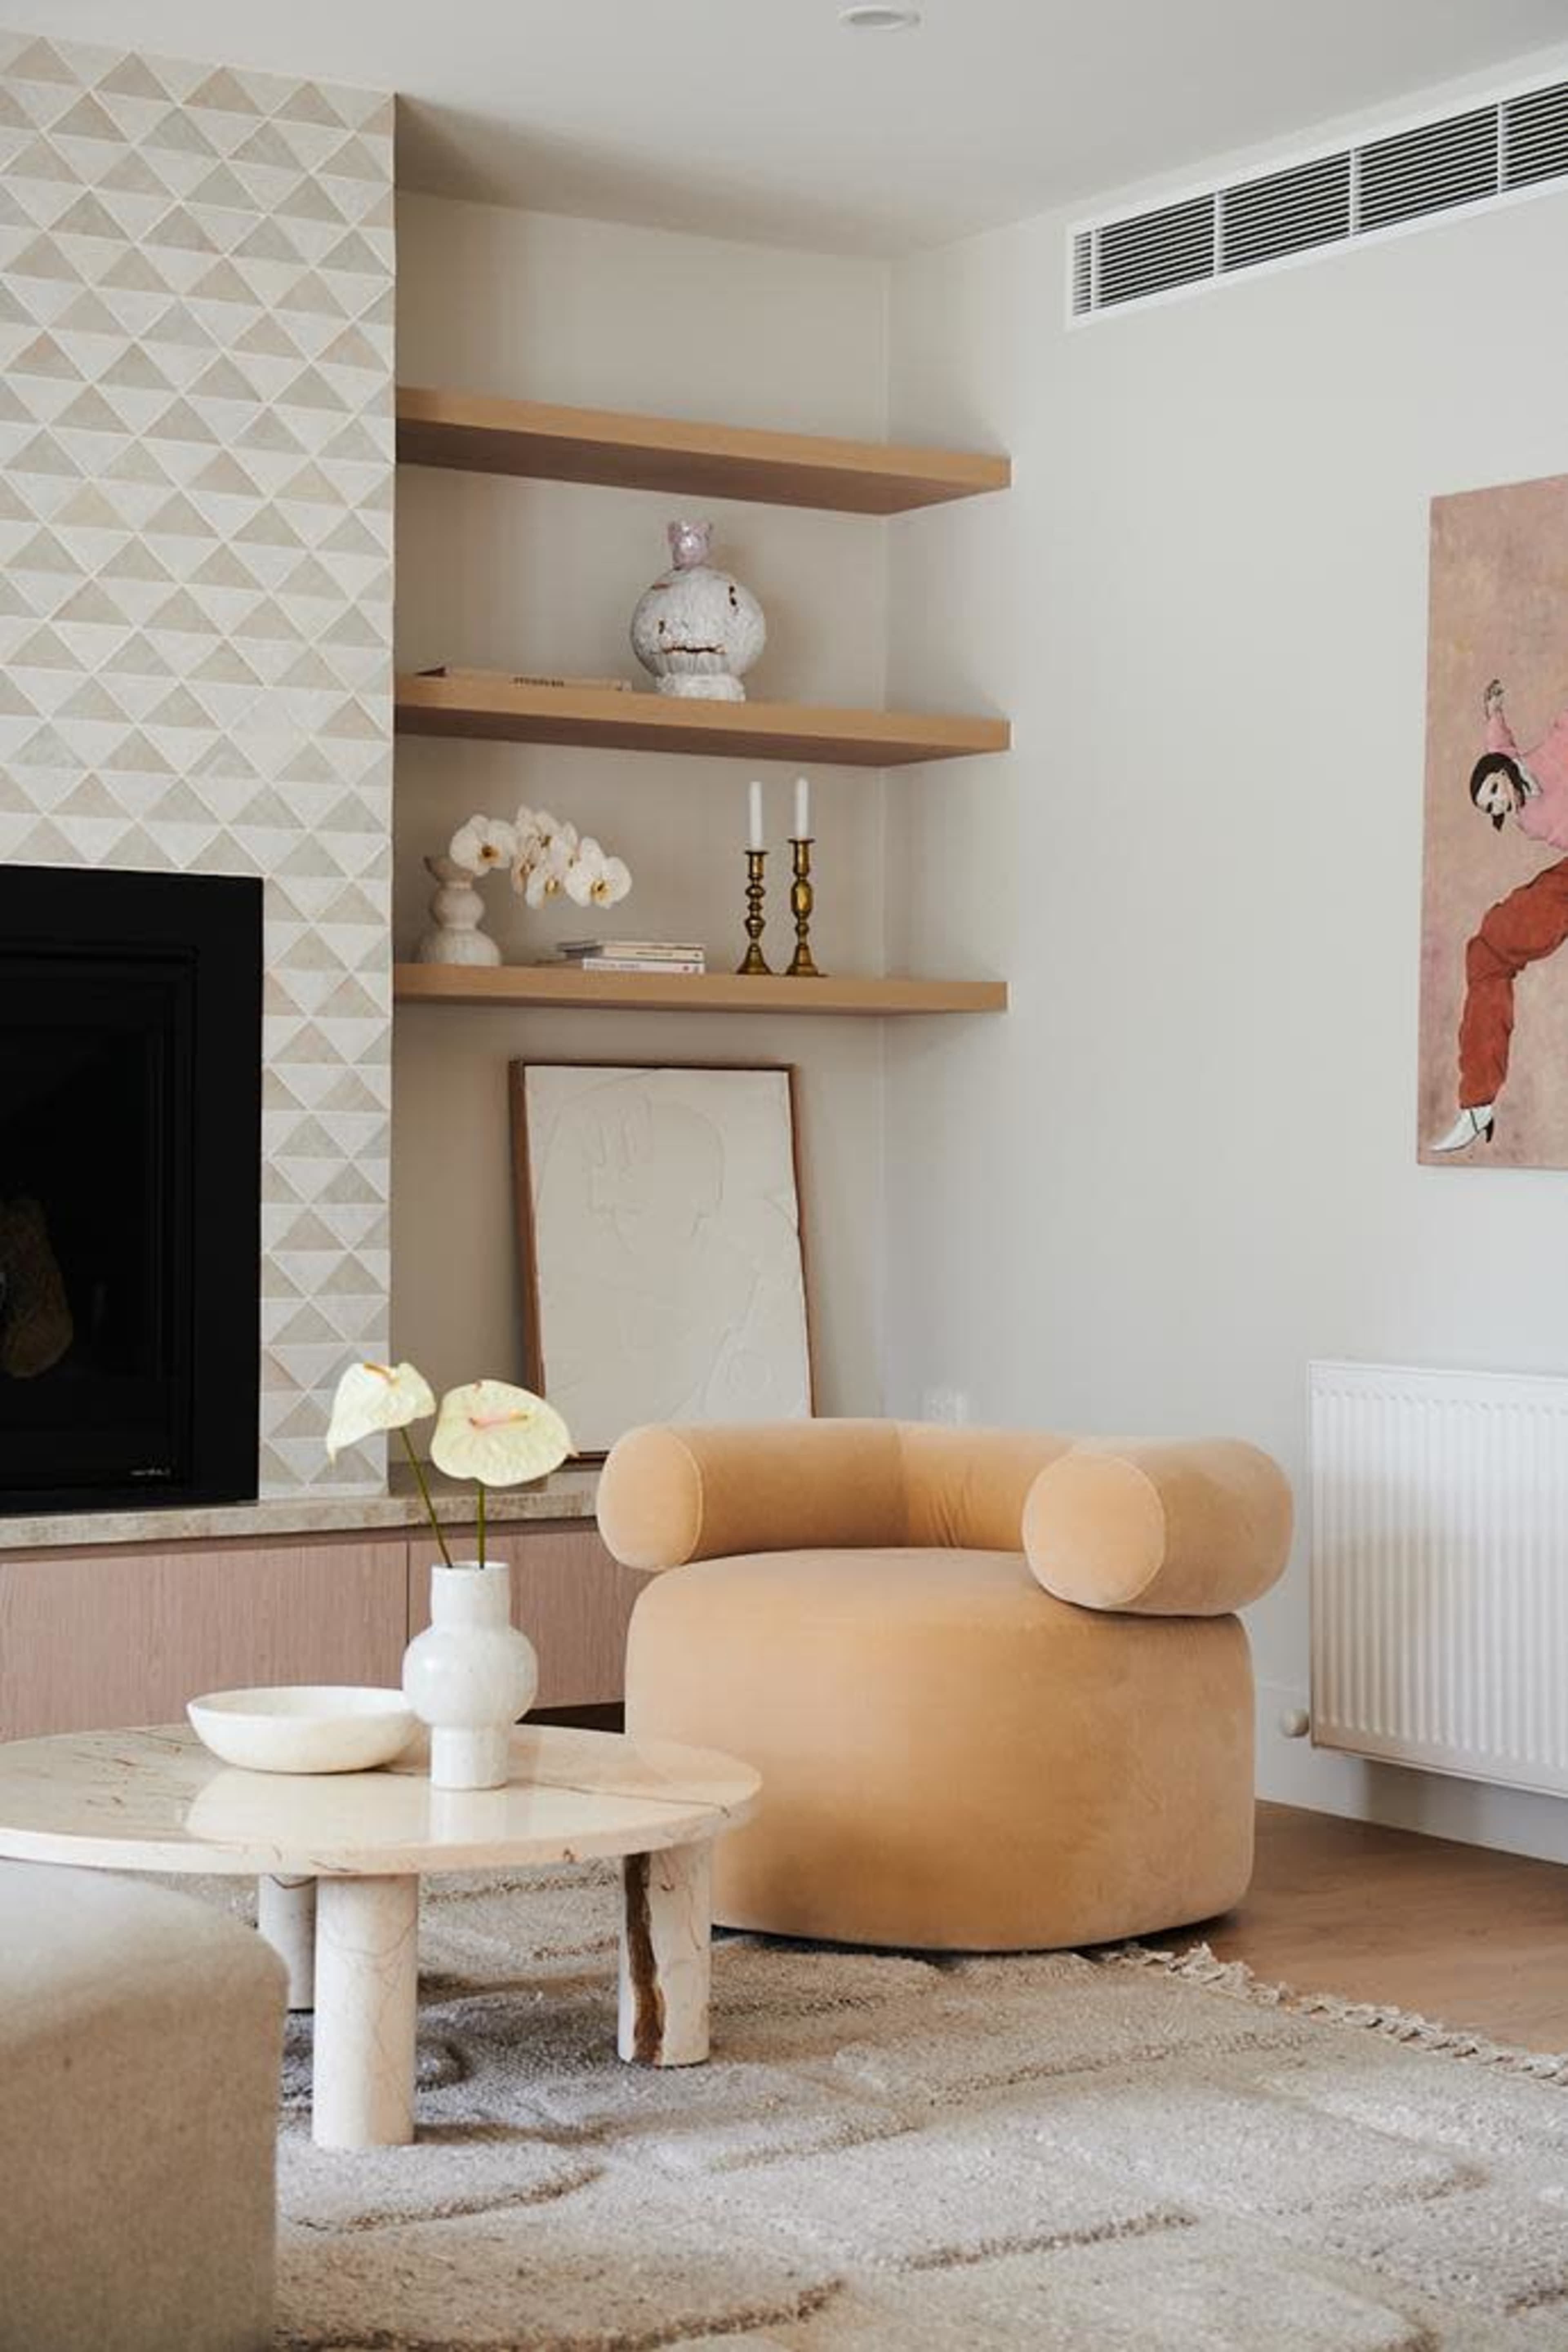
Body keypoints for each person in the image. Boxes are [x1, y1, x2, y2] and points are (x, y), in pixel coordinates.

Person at [1430, 677, 1568, 1153]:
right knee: (1487, 950)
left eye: (1493, 790)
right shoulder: (1526, 814)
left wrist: (1494, 715)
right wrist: (1493, 715)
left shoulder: (1557, 744)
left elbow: (1500, 750)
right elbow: (1499, 748)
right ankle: (1478, 1105)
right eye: (1492, 806)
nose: (1499, 804)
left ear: (1502, 770)